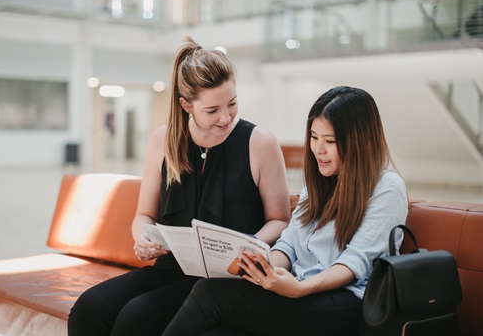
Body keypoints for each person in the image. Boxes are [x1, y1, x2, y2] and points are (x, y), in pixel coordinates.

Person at [67, 35, 292, 336]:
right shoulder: (163, 140)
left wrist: (249, 249)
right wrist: (142, 239)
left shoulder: (260, 142)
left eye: (232, 104)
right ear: (186, 104)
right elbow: (143, 216)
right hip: (170, 269)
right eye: (212, 110)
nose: (225, 117)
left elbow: (280, 220)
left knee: (137, 316)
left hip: (224, 280)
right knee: (88, 308)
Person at [161, 86, 409, 336]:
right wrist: (261, 266)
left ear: (360, 141)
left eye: (330, 141)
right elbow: (289, 245)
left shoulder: (388, 188)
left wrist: (298, 289)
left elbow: (355, 262)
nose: (318, 149)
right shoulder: (319, 184)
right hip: (299, 289)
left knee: (209, 293)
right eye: (314, 137)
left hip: (345, 301)